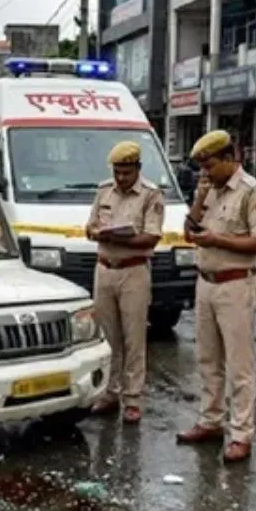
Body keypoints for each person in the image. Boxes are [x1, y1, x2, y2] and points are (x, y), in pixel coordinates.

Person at [175, 130, 256, 463]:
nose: (205, 172)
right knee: (207, 359)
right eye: (201, 167)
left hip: (235, 284)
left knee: (239, 364)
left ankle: (241, 433)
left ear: (230, 159)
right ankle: (211, 420)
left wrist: (218, 240)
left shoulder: (251, 192)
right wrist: (200, 199)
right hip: (206, 283)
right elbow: (189, 232)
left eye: (210, 165)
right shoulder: (210, 191)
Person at [85, 141, 165, 423]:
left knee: (134, 337)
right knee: (107, 337)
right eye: (118, 172)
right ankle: (109, 392)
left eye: (127, 173)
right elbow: (90, 227)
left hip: (134, 271)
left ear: (138, 169)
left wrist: (121, 237)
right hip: (105, 269)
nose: (121, 178)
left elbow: (152, 237)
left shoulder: (151, 195)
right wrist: (97, 232)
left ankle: (132, 399)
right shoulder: (103, 190)